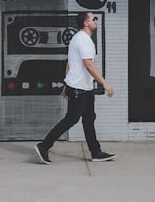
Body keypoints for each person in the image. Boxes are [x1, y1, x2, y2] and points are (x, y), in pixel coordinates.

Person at [34, 11, 116, 164]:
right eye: (93, 19)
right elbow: (88, 64)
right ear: (86, 23)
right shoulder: (84, 40)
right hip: (80, 88)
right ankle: (44, 146)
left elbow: (70, 63)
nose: (96, 21)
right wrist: (104, 83)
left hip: (83, 87)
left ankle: (96, 152)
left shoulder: (77, 38)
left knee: (89, 118)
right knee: (71, 119)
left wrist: (67, 82)